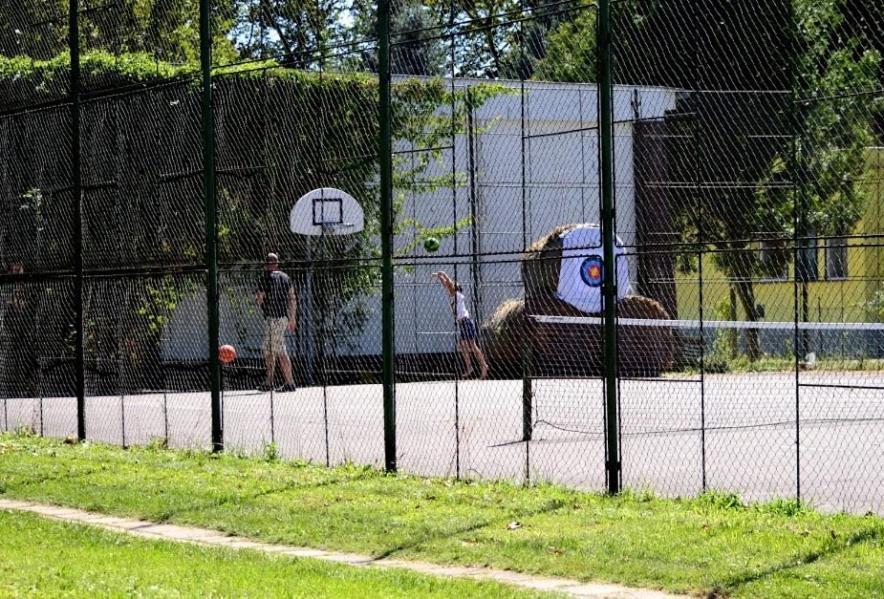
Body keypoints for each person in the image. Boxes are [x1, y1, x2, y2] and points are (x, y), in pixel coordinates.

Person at [431, 271, 489, 379]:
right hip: (463, 323)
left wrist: (442, 273)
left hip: (466, 322)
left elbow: (448, 283)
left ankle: (480, 365)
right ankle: (473, 366)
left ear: (455, 288)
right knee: (464, 346)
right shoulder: (454, 296)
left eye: (452, 287)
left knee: (471, 346)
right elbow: (446, 284)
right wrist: (439, 277)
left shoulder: (456, 295)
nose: (448, 289)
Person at [255, 253, 298, 392]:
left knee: (279, 349)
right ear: (277, 263)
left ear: (266, 264)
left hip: (273, 318)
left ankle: (290, 383)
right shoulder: (286, 278)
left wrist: (258, 299)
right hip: (281, 318)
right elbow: (292, 298)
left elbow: (259, 299)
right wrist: (292, 318)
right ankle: (269, 381)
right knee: (268, 350)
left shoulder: (265, 278)